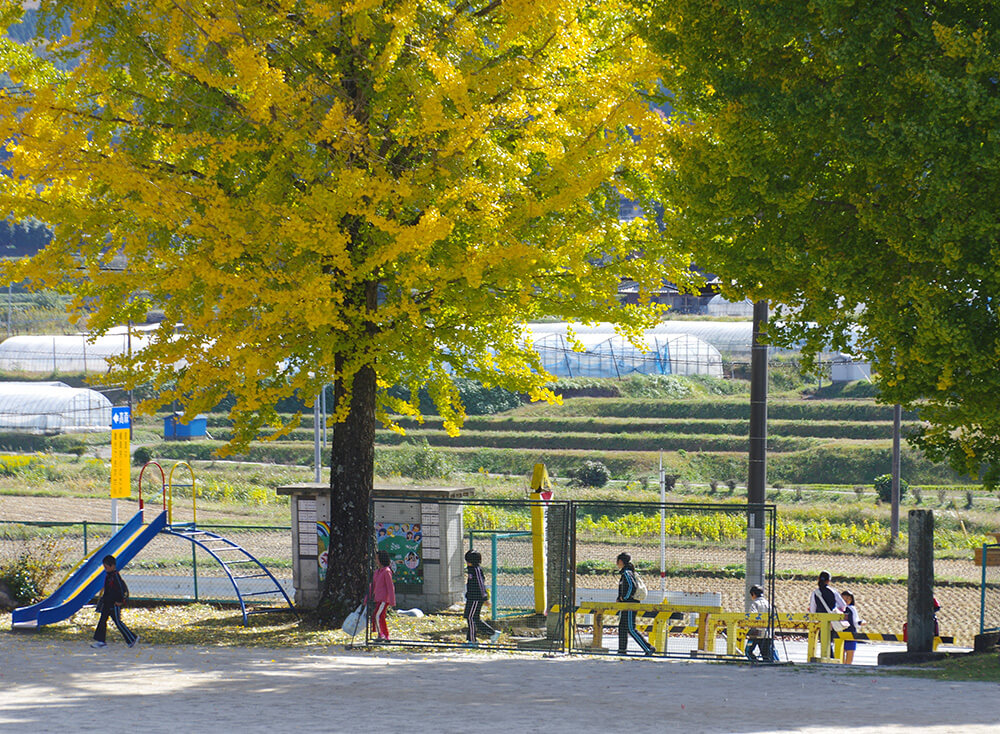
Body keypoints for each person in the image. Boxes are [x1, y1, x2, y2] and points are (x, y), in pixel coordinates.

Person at [91, 555, 138, 649]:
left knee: (118, 622)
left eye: (106, 567)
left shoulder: (115, 576)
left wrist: (120, 601)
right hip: (107, 603)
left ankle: (132, 638)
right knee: (102, 620)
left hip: (114, 604)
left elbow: (121, 590)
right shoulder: (109, 575)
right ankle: (101, 641)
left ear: (112, 566)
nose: (105, 569)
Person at [615, 552, 654, 656]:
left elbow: (632, 586)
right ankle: (622, 651)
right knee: (623, 627)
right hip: (626, 604)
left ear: (620, 561)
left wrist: (624, 598)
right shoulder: (627, 572)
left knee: (630, 628)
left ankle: (648, 648)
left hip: (629, 604)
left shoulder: (627, 573)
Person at [464, 550, 500, 646]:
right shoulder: (471, 569)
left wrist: (485, 599)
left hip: (476, 598)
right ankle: (492, 633)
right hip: (471, 598)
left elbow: (480, 584)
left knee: (471, 617)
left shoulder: (476, 569)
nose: (467, 562)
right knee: (474, 618)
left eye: (468, 560)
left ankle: (472, 640)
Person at [808, 571, 846, 657]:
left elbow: (812, 609)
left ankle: (828, 658)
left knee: (824, 641)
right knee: (830, 641)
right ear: (829, 581)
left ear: (818, 579)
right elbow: (843, 605)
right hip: (832, 621)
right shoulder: (833, 591)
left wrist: (812, 621)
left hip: (821, 621)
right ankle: (831, 658)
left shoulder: (815, 593)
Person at [369, 550, 396, 643]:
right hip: (378, 598)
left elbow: (390, 587)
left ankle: (383, 635)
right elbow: (372, 585)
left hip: (384, 599)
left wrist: (392, 601)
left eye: (377, 559)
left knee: (377, 615)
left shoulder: (387, 571)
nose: (376, 561)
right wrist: (366, 598)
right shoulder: (377, 572)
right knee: (380, 616)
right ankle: (384, 634)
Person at [745, 585, 776, 662]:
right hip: (767, 633)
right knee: (766, 655)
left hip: (755, 634)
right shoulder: (768, 604)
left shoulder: (755, 604)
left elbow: (752, 616)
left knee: (748, 651)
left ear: (753, 594)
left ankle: (754, 663)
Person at [841, 590, 863, 664]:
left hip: (851, 634)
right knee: (840, 656)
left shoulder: (852, 608)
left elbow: (855, 621)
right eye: (844, 598)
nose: (846, 600)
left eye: (849, 599)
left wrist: (860, 623)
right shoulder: (837, 609)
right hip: (840, 635)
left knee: (849, 656)